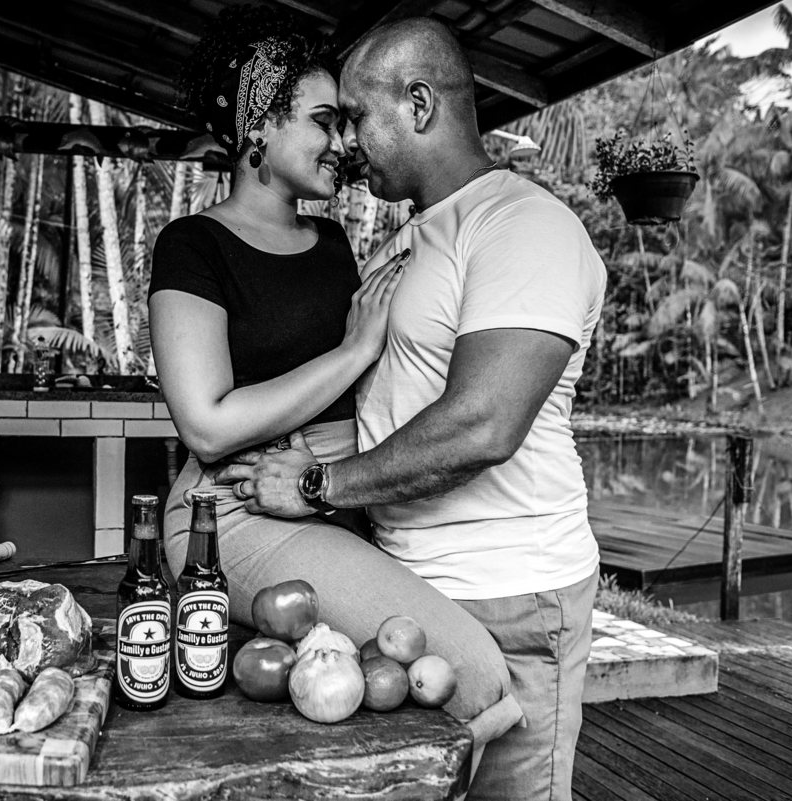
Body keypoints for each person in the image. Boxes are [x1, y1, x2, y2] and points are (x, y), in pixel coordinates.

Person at [214, 17, 607, 801]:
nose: (346, 142)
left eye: (356, 116)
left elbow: (482, 423)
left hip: (514, 594)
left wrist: (317, 485)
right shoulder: (416, 237)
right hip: (410, 591)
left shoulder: (524, 226)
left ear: (419, 104)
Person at [149, 5, 524, 762]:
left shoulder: (332, 242)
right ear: (260, 128)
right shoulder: (192, 246)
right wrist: (354, 353)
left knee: (377, 697)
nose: (344, 143)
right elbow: (208, 424)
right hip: (237, 507)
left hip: (332, 490)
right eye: (325, 121)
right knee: (473, 669)